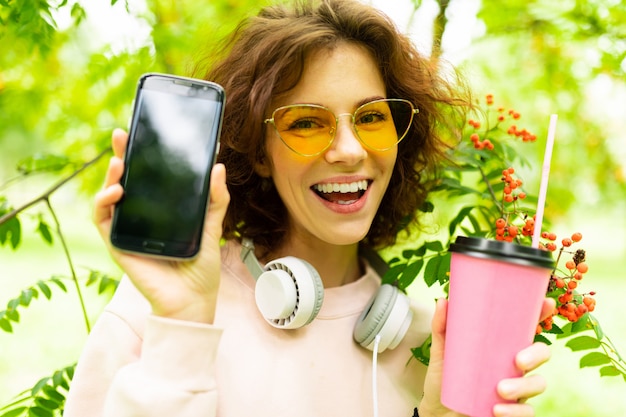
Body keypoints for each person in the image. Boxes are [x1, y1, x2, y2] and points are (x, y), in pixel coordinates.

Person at [64, 0, 555, 416]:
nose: (348, 149)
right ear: (259, 152)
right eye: (306, 124)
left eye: (370, 117)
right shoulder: (157, 304)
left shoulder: (430, 344)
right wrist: (186, 324)